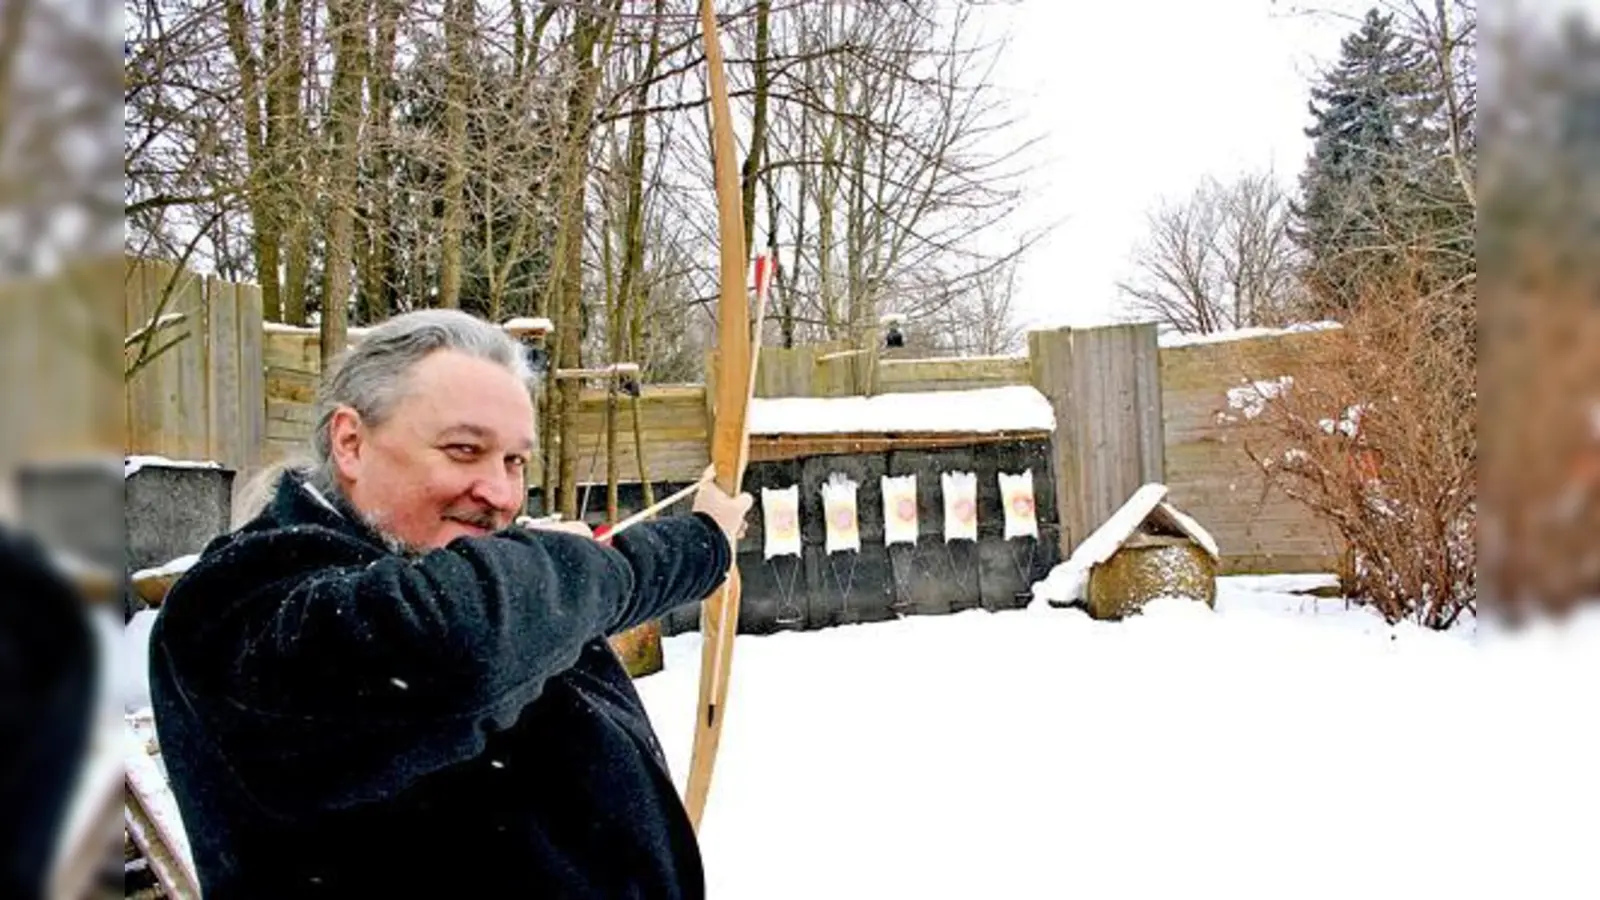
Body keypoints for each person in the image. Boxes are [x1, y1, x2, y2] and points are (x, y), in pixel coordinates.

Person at [148, 309, 752, 898]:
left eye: (515, 460)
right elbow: (459, 642)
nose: (501, 494)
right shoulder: (232, 600)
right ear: (351, 442)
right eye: (464, 450)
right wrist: (690, 546)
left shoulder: (447, 565)